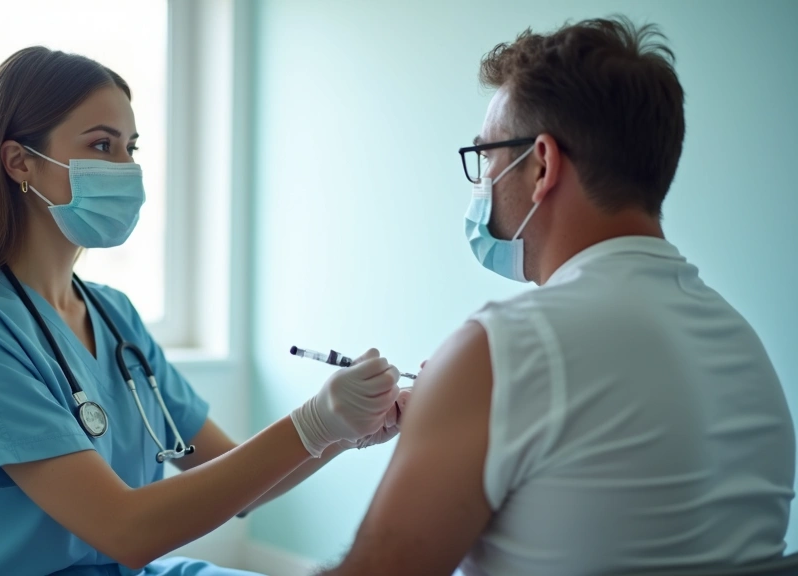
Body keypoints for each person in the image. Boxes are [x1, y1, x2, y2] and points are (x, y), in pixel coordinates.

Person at [0, 46, 409, 576]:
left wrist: (347, 430)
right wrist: (315, 422)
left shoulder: (113, 315)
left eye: (130, 148)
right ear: (20, 162)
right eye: (102, 145)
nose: (126, 169)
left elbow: (232, 478)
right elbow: (125, 532)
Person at [317, 16, 795, 576]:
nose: (483, 186)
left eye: (487, 159)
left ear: (541, 164)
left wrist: (447, 406)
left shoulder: (499, 351)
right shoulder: (747, 351)